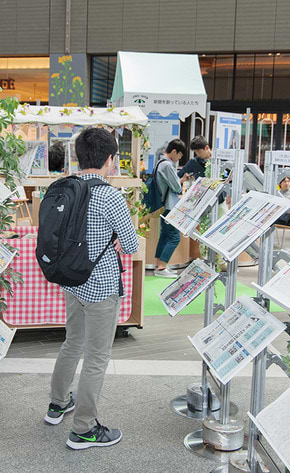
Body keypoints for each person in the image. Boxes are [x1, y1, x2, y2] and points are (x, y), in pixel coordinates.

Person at [46, 127, 139, 450]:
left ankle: (57, 404)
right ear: (110, 159)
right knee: (97, 358)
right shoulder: (110, 195)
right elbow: (129, 244)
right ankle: (84, 429)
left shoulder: (63, 187)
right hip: (100, 286)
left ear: (79, 156)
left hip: (71, 280)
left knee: (72, 343)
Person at [154, 139, 191, 278]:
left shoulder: (159, 162)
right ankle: (162, 267)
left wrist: (179, 181)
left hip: (163, 205)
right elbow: (175, 187)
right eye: (180, 155)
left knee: (164, 235)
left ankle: (160, 265)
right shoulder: (168, 165)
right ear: (174, 151)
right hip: (169, 206)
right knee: (174, 237)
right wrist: (180, 182)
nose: (179, 159)